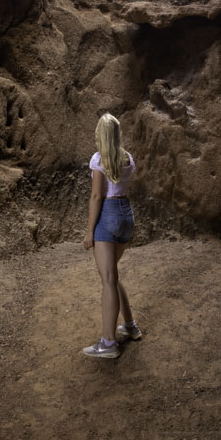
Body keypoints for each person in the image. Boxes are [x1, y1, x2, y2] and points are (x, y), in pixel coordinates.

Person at [82, 112, 142, 359]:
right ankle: (129, 326)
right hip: (126, 215)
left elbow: (97, 196)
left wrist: (89, 232)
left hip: (107, 214)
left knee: (107, 278)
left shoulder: (99, 159)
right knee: (112, 275)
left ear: (101, 135)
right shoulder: (127, 158)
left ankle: (108, 344)